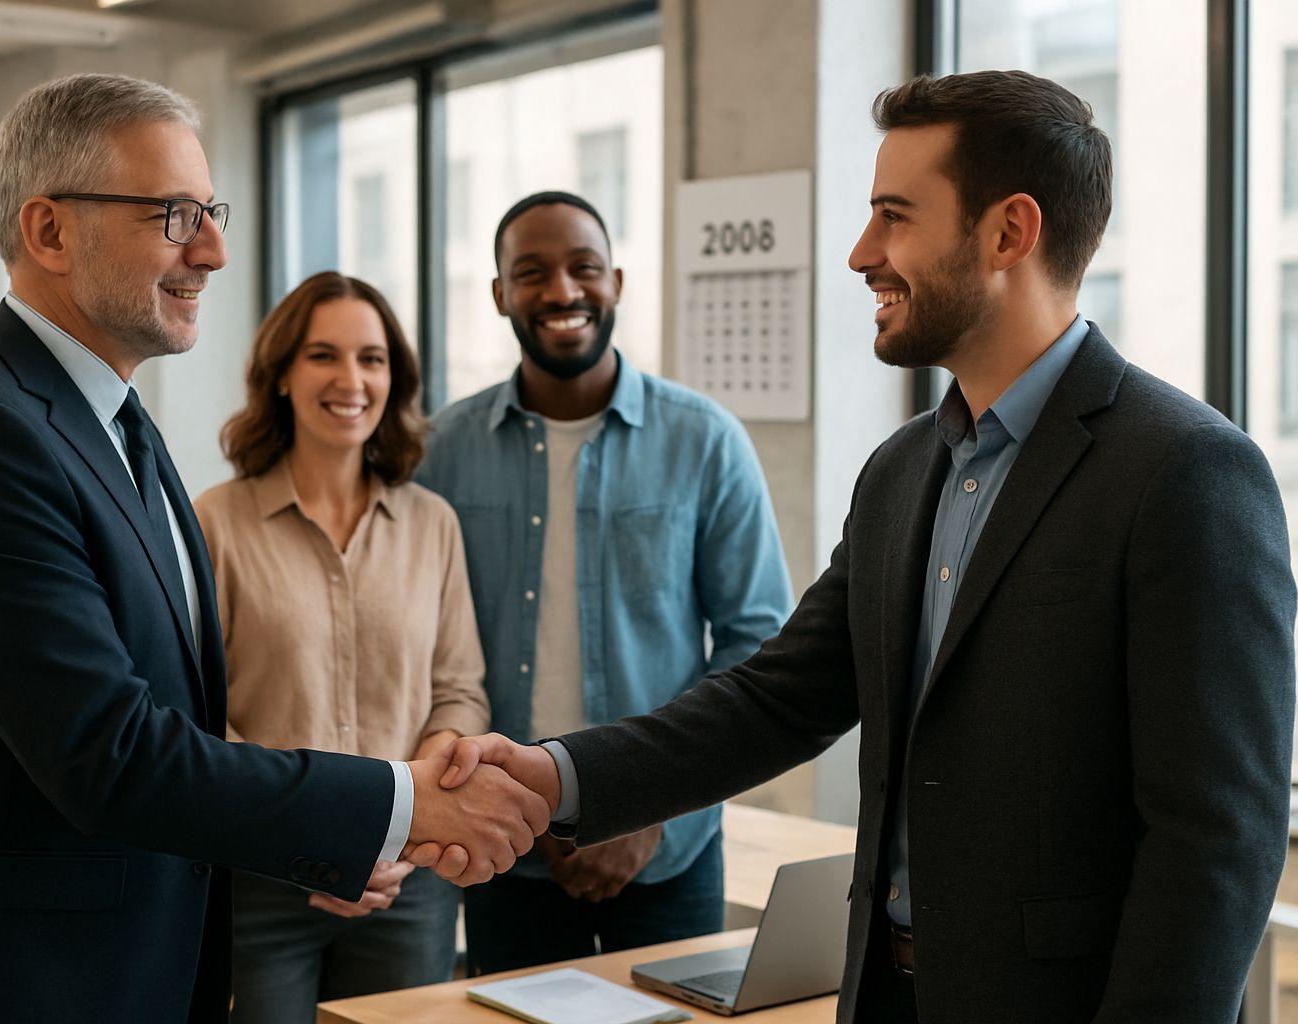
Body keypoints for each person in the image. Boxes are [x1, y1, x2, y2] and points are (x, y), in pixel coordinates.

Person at [438, 71, 1297, 1024]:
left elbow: (1216, 840)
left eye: (894, 215)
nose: (860, 253)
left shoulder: (1186, 470)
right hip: (884, 995)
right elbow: (777, 700)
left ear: (1009, 232)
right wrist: (556, 775)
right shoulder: (900, 471)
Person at [0, 73, 545, 1024]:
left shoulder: (121, 426)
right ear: (48, 231)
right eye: (173, 215)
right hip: (21, 980)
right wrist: (400, 804)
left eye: (209, 211)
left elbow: (184, 717)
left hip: (138, 960)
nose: (212, 250)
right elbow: (113, 753)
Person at [414, 191, 793, 973]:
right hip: (502, 850)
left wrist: (653, 810)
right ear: (499, 295)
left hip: (668, 855)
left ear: (616, 281)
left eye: (584, 268)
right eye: (532, 272)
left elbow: (759, 645)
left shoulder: (704, 441)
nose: (561, 292)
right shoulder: (441, 450)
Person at [194, 271, 489, 1022]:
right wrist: (308, 839)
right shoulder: (216, 524)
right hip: (260, 885)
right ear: (283, 374)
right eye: (324, 355)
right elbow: (195, 710)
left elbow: (459, 690)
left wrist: (404, 823)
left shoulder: (434, 526)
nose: (351, 379)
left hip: (410, 881)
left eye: (373, 358)